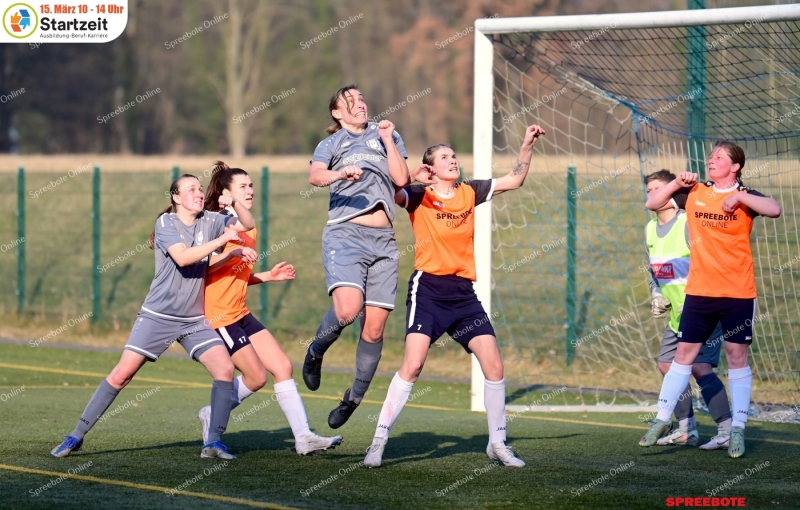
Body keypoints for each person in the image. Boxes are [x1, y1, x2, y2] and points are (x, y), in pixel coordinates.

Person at [363, 125, 546, 468]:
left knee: (494, 365)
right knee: (413, 365)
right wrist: (408, 178)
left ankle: (498, 443)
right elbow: (385, 194)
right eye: (444, 157)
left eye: (454, 155)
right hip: (428, 291)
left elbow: (515, 180)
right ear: (431, 167)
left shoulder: (469, 191)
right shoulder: (418, 195)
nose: (452, 160)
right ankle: (378, 441)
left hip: (463, 295)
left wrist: (526, 145)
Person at [51, 174, 256, 460]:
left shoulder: (210, 220)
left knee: (224, 369)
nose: (199, 193)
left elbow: (248, 224)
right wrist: (223, 240)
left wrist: (234, 201)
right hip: (158, 316)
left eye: (200, 188)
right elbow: (183, 258)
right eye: (191, 189)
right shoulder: (166, 223)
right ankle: (76, 435)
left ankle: (213, 442)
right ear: (176, 197)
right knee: (122, 375)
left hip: (193, 320)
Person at [302, 84, 434, 429]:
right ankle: (316, 350)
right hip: (346, 234)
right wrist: (340, 173)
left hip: (384, 241)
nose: (359, 104)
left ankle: (354, 398)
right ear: (337, 113)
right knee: (348, 311)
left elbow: (400, 180)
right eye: (350, 101)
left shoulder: (386, 134)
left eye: (361, 98)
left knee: (374, 331)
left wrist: (389, 141)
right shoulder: (332, 143)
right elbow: (315, 176)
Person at [640, 141, 781, 458]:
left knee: (736, 357)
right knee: (683, 356)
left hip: (738, 292)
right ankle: (662, 419)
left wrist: (739, 197)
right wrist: (676, 183)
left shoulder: (746, 197)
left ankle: (736, 429)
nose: (712, 160)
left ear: (735, 166)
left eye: (720, 157)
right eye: (711, 156)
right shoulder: (696, 191)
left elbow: (774, 209)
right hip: (699, 293)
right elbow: (653, 203)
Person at [197, 162, 343, 455]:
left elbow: (236, 275)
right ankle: (212, 414)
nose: (250, 190)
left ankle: (303, 437)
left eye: (251, 185)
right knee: (257, 378)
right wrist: (232, 253)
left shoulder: (248, 226)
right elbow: (202, 267)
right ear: (226, 193)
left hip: (239, 312)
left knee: (282, 366)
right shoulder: (218, 223)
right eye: (243, 186)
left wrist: (268, 276)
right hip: (219, 316)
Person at [644, 169, 733, 449]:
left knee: (699, 367)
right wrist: (657, 293)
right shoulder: (649, 229)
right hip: (677, 317)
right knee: (666, 365)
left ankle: (727, 430)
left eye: (658, 189)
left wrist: (697, 297)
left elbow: (710, 263)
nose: (652, 195)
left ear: (673, 194)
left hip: (704, 309)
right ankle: (686, 429)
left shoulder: (689, 224)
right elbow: (654, 270)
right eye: (648, 191)